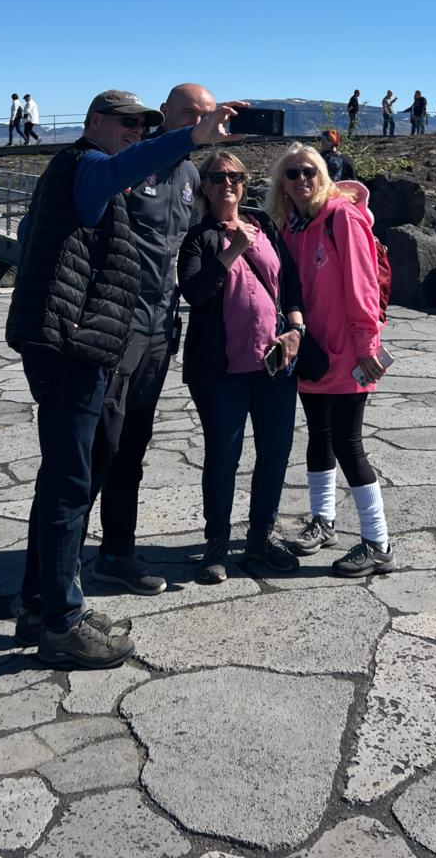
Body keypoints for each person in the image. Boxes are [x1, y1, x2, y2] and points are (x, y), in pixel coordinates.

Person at [6, 88, 240, 669]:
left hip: (93, 339)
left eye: (141, 125)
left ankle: (42, 602)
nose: (133, 132)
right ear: (93, 122)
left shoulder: (105, 171)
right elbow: (118, 171)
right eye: (125, 122)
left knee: (73, 471)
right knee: (73, 478)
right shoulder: (87, 167)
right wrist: (191, 137)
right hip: (75, 343)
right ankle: (62, 623)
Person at [82, 84, 218, 599]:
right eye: (188, 114)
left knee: (131, 449)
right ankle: (62, 564)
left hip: (161, 328)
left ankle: (117, 552)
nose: (198, 123)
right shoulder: (130, 161)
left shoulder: (188, 174)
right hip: (116, 328)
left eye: (206, 115)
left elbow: (195, 238)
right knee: (97, 447)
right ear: (166, 114)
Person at [266, 144, 394, 577]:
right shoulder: (292, 226)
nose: (302, 179)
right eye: (292, 173)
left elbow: (362, 288)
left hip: (347, 351)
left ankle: (378, 541)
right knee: (318, 437)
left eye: (309, 171)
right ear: (281, 183)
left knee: (348, 443)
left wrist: (365, 344)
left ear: (324, 175)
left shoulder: (342, 218)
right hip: (312, 353)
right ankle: (323, 521)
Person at [178, 150, 303, 584]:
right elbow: (195, 292)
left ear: (245, 183)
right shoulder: (198, 237)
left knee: (275, 453)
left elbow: (289, 281)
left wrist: (296, 328)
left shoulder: (264, 224)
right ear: (205, 187)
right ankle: (215, 545)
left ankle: (260, 539)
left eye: (235, 177)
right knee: (223, 456)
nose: (227, 183)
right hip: (220, 369)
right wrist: (233, 251)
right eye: (217, 177)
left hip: (274, 363)